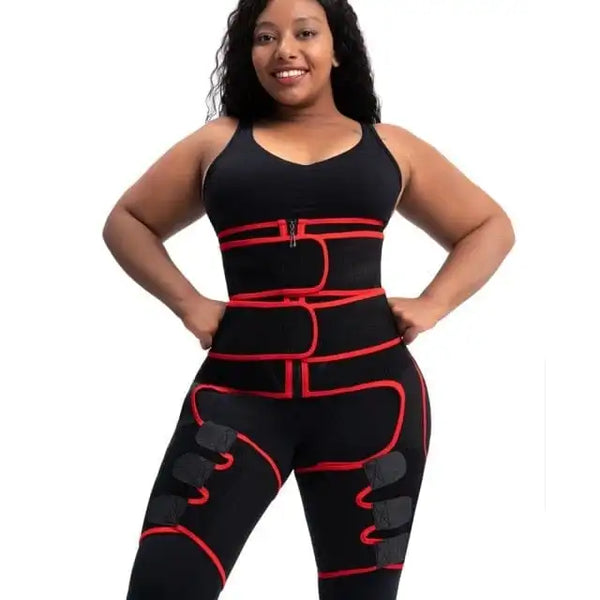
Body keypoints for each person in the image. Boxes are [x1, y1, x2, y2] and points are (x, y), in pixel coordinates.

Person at [102, 1, 515, 598]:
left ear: (337, 48)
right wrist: (189, 303)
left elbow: (488, 226)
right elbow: (128, 221)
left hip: (374, 406)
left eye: (305, 33)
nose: (285, 50)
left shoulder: (391, 146)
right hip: (238, 400)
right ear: (249, 54)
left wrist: (434, 303)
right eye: (265, 37)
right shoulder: (217, 142)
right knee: (164, 585)